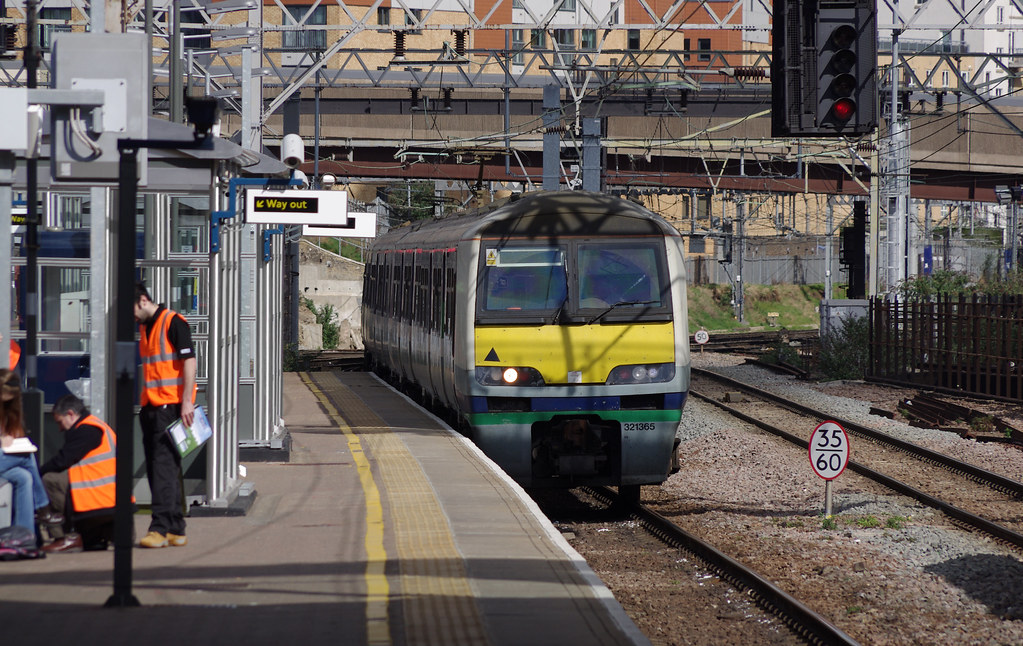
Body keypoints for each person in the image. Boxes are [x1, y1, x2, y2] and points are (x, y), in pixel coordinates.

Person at [134, 282, 196, 548]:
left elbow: (189, 361)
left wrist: (186, 403)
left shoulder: (173, 322)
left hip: (169, 408)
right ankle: (175, 527)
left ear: (143, 300)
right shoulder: (146, 327)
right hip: (151, 407)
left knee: (162, 468)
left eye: (131, 310)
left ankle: (159, 527)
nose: (132, 317)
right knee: (162, 468)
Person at [38, 394, 121, 553]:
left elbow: (63, 460)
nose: (60, 429)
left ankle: (64, 536)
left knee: (49, 480)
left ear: (70, 414)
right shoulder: (98, 426)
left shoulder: (86, 430)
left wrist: (36, 474)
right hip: (114, 498)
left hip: (99, 498)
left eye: (60, 422)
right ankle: (93, 535)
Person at [0, 369, 52, 539]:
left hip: (4, 460)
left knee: (24, 477)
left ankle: (24, 535)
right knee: (27, 457)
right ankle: (43, 507)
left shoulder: (9, 410)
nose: (8, 400)